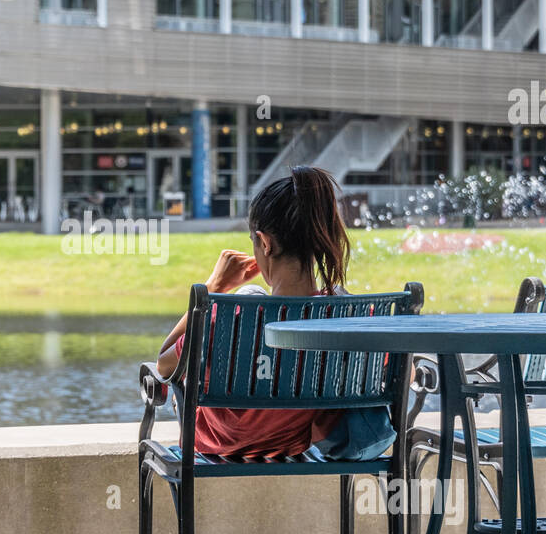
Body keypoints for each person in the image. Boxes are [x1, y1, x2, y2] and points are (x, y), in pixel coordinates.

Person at [155, 166, 395, 461]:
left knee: (249, 296)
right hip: (293, 441)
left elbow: (165, 365)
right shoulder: (349, 315)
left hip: (220, 441)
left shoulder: (231, 317)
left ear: (265, 243)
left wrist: (213, 288)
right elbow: (399, 374)